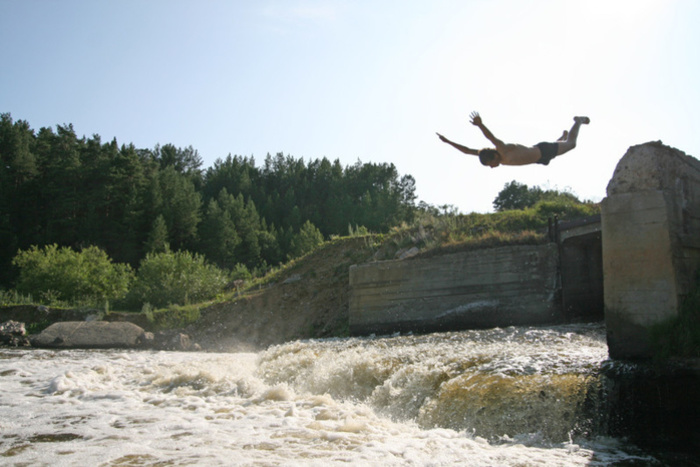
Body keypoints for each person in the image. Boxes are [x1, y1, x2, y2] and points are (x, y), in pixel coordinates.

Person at [436, 112, 590, 168]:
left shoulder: (502, 149)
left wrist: (480, 125)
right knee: (558, 150)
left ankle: (578, 120)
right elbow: (467, 151)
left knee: (571, 145)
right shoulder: (490, 156)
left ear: (494, 156)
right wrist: (448, 142)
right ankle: (561, 138)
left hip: (542, 150)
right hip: (540, 158)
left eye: (491, 164)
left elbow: (491, 137)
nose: (492, 167)